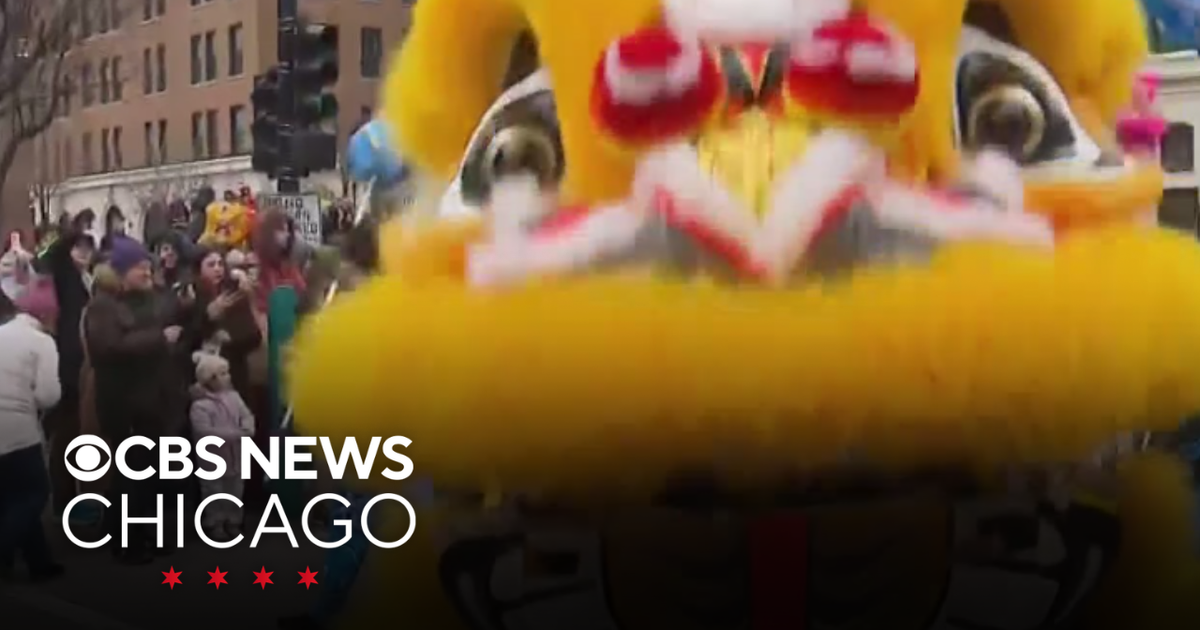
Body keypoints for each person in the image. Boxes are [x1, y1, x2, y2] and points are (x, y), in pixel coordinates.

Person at [84, 237, 184, 564]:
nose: (147, 272)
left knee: (147, 475)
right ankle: (128, 543)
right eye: (140, 267)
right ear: (122, 271)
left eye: (148, 266)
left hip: (151, 402)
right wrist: (159, 338)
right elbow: (109, 347)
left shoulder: (147, 299)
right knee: (133, 475)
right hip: (123, 403)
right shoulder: (103, 305)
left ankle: (136, 534)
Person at [0, 287, 63, 582]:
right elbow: (48, 395)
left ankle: (40, 562)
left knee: (12, 497)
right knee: (34, 494)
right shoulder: (42, 342)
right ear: (46, 314)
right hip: (18, 430)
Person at [39, 231, 96, 520]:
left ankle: (77, 502)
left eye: (88, 248)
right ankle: (65, 502)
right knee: (68, 438)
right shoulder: (63, 275)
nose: (84, 254)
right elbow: (50, 260)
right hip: (68, 366)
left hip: (83, 365)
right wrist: (65, 238)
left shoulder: (87, 280)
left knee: (80, 438)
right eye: (78, 248)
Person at [189, 350, 255, 541]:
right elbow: (204, 432)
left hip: (236, 455)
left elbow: (246, 414)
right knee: (214, 491)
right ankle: (214, 523)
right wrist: (237, 435)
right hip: (213, 459)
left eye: (227, 372)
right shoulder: (200, 405)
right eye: (223, 374)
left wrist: (248, 426)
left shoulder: (234, 397)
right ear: (210, 378)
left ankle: (233, 521)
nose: (228, 377)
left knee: (235, 489)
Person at [190, 246, 262, 401]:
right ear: (199, 269)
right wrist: (208, 318)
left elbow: (254, 337)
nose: (217, 269)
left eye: (220, 264)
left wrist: (231, 339)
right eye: (211, 265)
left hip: (234, 378)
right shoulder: (190, 297)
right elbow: (187, 337)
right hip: (202, 383)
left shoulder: (234, 294)